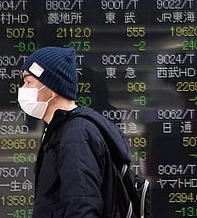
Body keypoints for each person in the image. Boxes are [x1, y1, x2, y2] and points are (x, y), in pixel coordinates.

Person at [17, 46, 132, 217]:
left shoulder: (77, 136)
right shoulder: (61, 130)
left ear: (52, 88)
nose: (23, 88)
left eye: (28, 81)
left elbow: (83, 205)